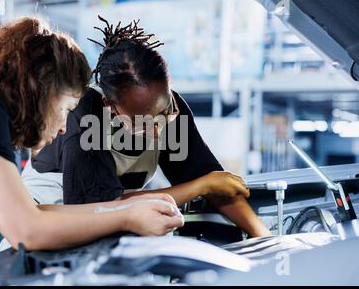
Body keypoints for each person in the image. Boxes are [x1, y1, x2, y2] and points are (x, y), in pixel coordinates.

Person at [0, 17, 184, 250]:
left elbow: (34, 214)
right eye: (66, 108)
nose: (65, 126)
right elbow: (26, 230)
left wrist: (125, 210)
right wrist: (125, 218)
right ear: (42, 90)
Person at [22, 16, 271, 239]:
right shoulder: (86, 115)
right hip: (39, 232)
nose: (157, 129)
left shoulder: (174, 111)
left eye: (164, 112)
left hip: (104, 230)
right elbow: (101, 207)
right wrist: (201, 186)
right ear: (111, 106)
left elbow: (218, 186)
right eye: (142, 121)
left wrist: (265, 239)